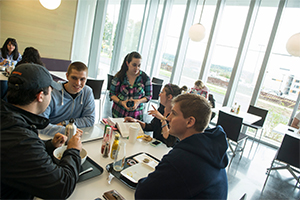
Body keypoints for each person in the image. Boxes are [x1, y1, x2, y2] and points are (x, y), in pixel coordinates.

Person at [0, 63, 82, 199]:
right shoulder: (21, 138)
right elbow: (62, 187)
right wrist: (73, 151)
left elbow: (18, 155)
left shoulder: (10, 120)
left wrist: (49, 145)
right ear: (40, 96)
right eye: (50, 91)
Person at [135, 93, 229, 199]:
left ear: (189, 122)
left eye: (174, 114)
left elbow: (143, 194)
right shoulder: (210, 151)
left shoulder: (183, 159)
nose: (168, 118)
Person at [39, 61, 95, 136]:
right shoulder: (52, 92)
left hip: (75, 135)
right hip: (51, 135)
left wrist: (65, 124)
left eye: (82, 79)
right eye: (74, 78)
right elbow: (41, 124)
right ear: (67, 76)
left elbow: (90, 120)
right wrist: (65, 130)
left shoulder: (87, 92)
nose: (78, 83)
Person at [110, 51, 152, 121]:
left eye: (139, 65)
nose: (136, 68)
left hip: (136, 115)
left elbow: (149, 96)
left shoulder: (145, 78)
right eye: (134, 65)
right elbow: (112, 94)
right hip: (119, 113)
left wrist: (138, 101)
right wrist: (121, 102)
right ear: (127, 63)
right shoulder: (120, 77)